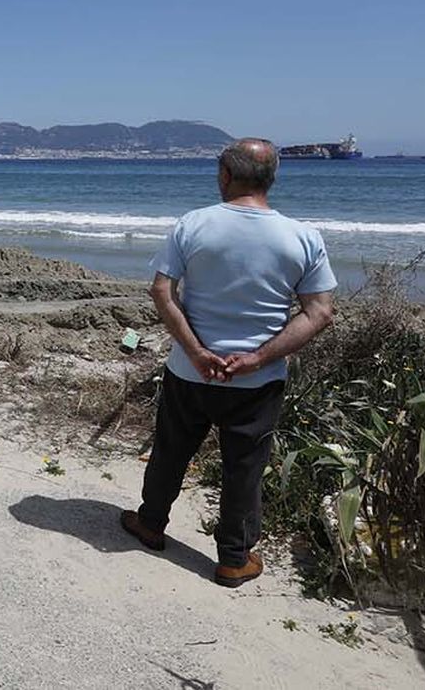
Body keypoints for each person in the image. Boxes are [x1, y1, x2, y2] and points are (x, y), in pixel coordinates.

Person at [120, 138, 337, 587]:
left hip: (190, 372)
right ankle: (234, 558)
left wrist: (197, 352)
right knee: (245, 468)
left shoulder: (193, 225)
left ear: (225, 174)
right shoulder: (302, 237)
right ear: (272, 178)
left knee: (171, 451)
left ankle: (151, 523)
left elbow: (162, 291)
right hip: (257, 382)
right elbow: (319, 312)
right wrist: (258, 358)